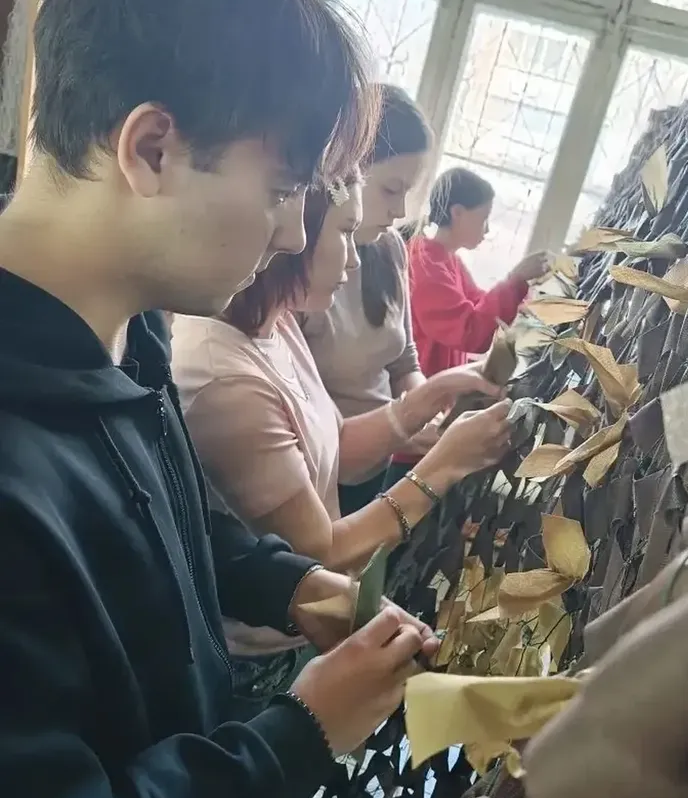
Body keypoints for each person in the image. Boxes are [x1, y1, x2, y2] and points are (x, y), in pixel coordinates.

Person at [0, 0, 437, 798]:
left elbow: (177, 522)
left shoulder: (132, 326)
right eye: (282, 190)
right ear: (152, 148)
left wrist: (291, 586)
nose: (292, 236)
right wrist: (300, 733)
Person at [171, 174, 512, 583]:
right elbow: (319, 553)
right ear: (297, 230)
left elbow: (339, 447)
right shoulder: (226, 381)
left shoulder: (278, 324)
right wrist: (447, 464)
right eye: (346, 232)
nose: (354, 260)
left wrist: (438, 390)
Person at [302, 84, 433, 515]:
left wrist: (423, 410)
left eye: (408, 192)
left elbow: (404, 363)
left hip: (375, 466)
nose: (400, 211)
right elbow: (314, 427)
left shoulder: (390, 247)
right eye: (391, 190)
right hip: (315, 473)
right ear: (347, 174)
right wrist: (405, 421)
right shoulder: (299, 269)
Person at [409, 166, 550, 378]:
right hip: (419, 383)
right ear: (457, 212)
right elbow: (469, 331)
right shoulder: (424, 265)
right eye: (484, 218)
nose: (487, 229)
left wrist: (526, 302)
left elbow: (479, 303)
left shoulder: (449, 260)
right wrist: (515, 279)